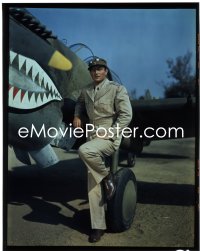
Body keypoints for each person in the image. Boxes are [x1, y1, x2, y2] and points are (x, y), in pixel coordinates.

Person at [73, 57, 132, 242]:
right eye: (93, 69)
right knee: (92, 183)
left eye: (100, 69)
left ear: (105, 71)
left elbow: (126, 114)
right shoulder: (87, 90)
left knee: (84, 151)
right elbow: (80, 103)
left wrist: (112, 132)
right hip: (92, 136)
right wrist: (77, 116)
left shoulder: (117, 89)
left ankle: (107, 178)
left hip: (109, 138)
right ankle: (98, 226)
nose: (96, 72)